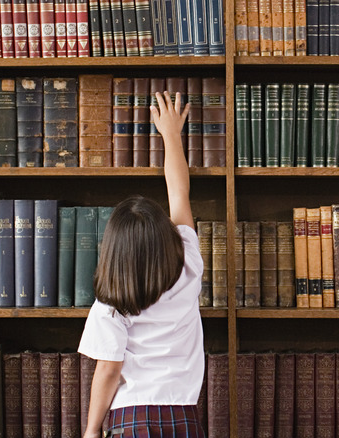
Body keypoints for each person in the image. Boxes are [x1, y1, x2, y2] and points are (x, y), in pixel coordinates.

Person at [78, 91, 205, 438]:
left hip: (131, 418)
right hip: (183, 416)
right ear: (167, 237)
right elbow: (179, 193)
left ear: (114, 253)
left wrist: (91, 431)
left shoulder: (111, 303)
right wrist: (171, 135)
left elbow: (108, 369)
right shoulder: (189, 264)